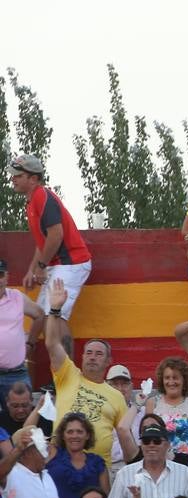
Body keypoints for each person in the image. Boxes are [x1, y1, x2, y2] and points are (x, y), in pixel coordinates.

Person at [41, 281, 125, 462]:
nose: (93, 357)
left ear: (109, 361)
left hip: (98, 468)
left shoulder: (117, 396)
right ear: (82, 357)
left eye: (99, 354)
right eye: (89, 353)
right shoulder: (67, 373)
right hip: (61, 461)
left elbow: (125, 434)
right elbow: (51, 343)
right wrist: (55, 310)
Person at [8, 154, 94, 324]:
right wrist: (32, 270)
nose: (13, 179)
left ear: (33, 179)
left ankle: (60, 351)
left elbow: (56, 235)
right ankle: (29, 347)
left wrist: (40, 268)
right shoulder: (33, 200)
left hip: (71, 263)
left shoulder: (41, 196)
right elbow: (43, 243)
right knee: (40, 315)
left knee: (53, 319)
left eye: (18, 176)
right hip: (62, 265)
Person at [137, 357, 188, 484]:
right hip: (162, 470)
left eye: (175, 378)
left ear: (184, 380)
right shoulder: (152, 403)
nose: (171, 382)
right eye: (167, 378)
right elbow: (147, 438)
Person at [0, 261, 44, 400]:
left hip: (16, 374)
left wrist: (30, 343)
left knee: (22, 418)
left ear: (7, 277)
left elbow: (40, 315)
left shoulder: (17, 297)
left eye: (0, 275)